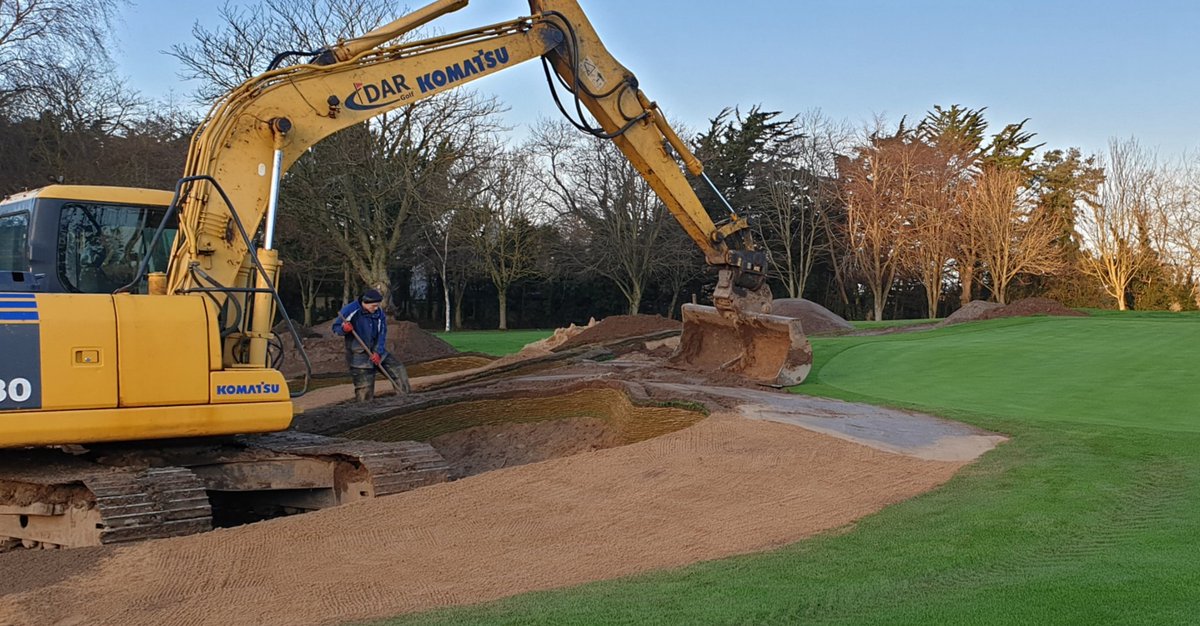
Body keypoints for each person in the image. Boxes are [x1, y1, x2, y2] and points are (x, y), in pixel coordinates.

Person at [332, 288, 410, 401]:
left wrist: (378, 352)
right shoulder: (350, 310)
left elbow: (382, 333)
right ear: (365, 303)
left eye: (377, 305)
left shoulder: (379, 313)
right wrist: (344, 328)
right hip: (358, 355)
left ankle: (406, 399)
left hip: (377, 350)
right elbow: (336, 328)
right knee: (365, 388)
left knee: (398, 369)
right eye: (373, 305)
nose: (376, 308)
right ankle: (365, 409)